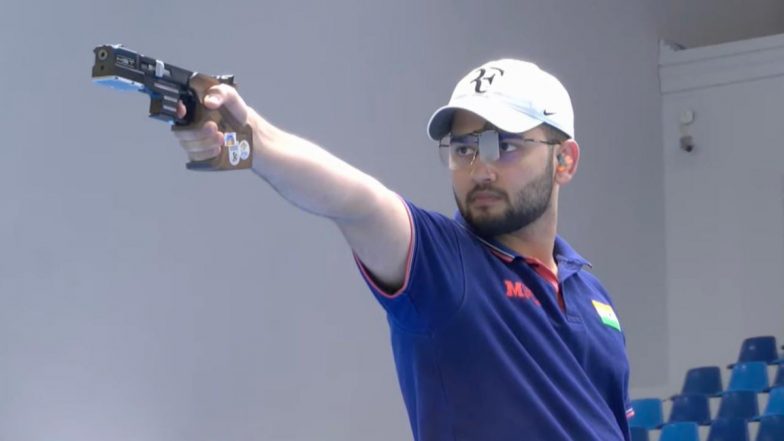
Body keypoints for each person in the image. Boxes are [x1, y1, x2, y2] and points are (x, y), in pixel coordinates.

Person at [174, 59, 633, 441]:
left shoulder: (592, 295)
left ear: (564, 160)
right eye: (463, 148)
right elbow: (358, 203)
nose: (480, 168)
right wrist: (254, 138)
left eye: (504, 145)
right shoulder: (444, 267)